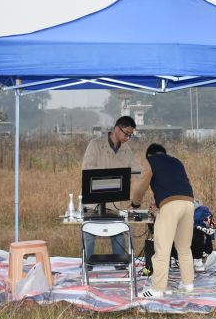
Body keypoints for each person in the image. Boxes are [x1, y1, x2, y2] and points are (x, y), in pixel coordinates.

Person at [131, 143, 195, 298]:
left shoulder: (150, 161)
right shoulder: (176, 161)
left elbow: (141, 187)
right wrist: (159, 202)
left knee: (162, 250)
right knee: (184, 248)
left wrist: (135, 204)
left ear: (149, 155)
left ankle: (157, 289)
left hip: (170, 207)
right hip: (188, 203)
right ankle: (188, 284)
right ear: (164, 153)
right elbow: (174, 185)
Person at [81, 116, 141, 261]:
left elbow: (138, 169)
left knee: (119, 233)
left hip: (114, 203)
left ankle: (121, 266)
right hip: (92, 203)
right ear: (117, 129)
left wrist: (151, 175)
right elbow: (87, 168)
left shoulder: (126, 149)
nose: (128, 138)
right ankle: (87, 265)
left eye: (130, 135)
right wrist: (111, 174)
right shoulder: (95, 144)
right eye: (126, 134)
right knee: (88, 233)